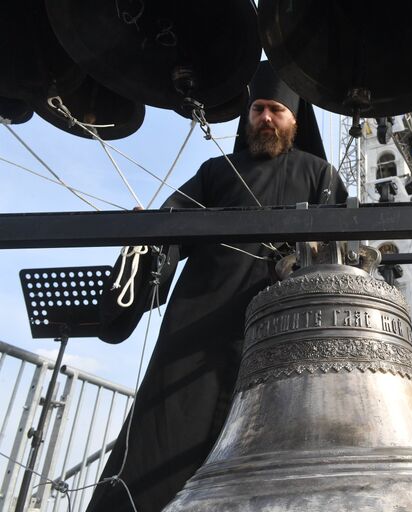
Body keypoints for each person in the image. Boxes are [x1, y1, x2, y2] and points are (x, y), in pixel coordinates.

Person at [86, 62, 347, 512]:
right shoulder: (215, 172)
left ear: (294, 121)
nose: (266, 118)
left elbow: (341, 256)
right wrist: (144, 241)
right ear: (248, 117)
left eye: (277, 111)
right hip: (199, 320)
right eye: (259, 109)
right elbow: (170, 226)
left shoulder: (319, 173)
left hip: (283, 330)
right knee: (162, 433)